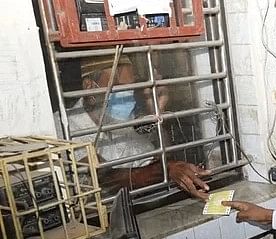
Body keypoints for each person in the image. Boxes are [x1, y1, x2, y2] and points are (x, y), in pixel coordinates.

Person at [63, 55, 210, 199]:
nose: (127, 94)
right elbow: (106, 177)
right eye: (119, 87)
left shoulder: (126, 121)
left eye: (131, 88)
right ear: (89, 86)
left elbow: (155, 162)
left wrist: (156, 115)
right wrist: (167, 169)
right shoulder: (67, 125)